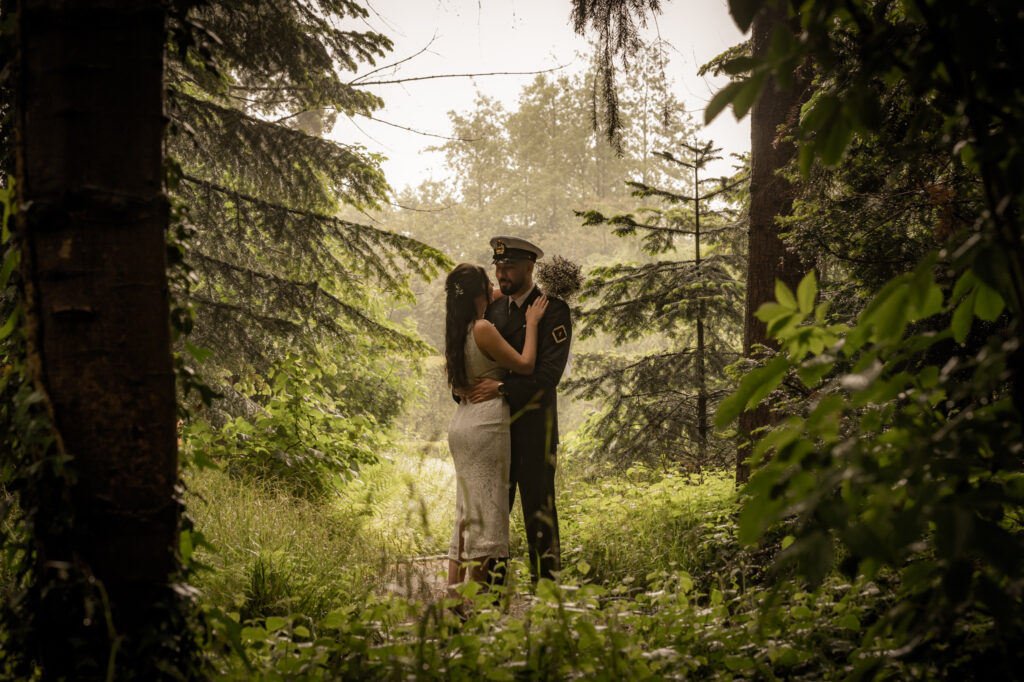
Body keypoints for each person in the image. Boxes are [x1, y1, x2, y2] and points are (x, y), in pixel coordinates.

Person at [464, 236, 572, 583]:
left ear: (529, 268)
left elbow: (547, 376)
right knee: (494, 516)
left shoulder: (552, 309)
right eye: (497, 266)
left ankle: (548, 595)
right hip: (494, 431)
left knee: (539, 515)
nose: (500, 273)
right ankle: (493, 596)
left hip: (534, 430)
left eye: (508, 266)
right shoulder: (493, 310)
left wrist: (502, 388)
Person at [443, 263, 548, 597]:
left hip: (462, 423)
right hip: (487, 426)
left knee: (465, 516)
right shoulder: (483, 328)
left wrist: (522, 284)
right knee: (488, 520)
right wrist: (531, 323)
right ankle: (477, 603)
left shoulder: (455, 331)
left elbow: (500, 291)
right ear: (479, 293)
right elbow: (526, 364)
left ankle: (454, 602)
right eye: (490, 284)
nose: (495, 288)